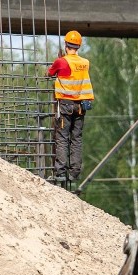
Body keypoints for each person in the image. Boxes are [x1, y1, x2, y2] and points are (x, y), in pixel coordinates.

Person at [47, 30, 94, 183]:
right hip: (81, 106)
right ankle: (74, 173)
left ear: (65, 44)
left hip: (66, 105)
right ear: (79, 46)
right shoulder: (85, 63)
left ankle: (60, 172)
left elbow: (50, 73)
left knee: (62, 137)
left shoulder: (62, 61)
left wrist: (59, 59)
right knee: (76, 138)